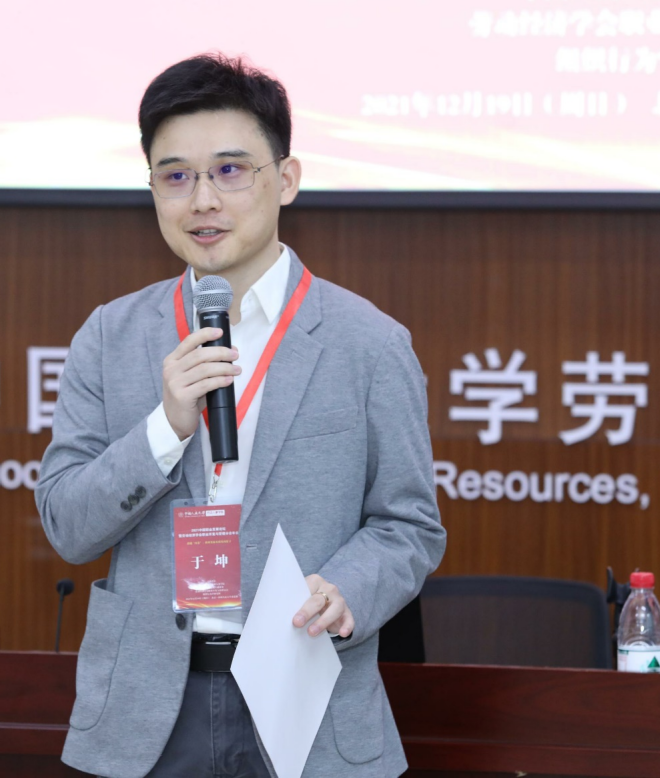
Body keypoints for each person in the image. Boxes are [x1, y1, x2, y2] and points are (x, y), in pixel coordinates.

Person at [36, 53, 446, 778]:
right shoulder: (110, 336)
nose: (202, 200)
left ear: (284, 179)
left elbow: (409, 525)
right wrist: (164, 429)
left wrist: (348, 588)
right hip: (146, 711)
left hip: (305, 695)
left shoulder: (368, 344)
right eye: (175, 176)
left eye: (230, 171)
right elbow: (67, 524)